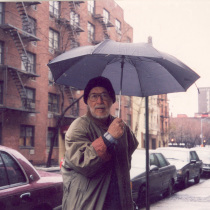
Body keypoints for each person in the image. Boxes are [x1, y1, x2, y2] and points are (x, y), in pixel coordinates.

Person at [61, 76, 139, 210]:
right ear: (87, 101)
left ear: (111, 100)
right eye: (94, 96)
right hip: (88, 204)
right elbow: (84, 163)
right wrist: (109, 137)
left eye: (104, 95)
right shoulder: (78, 127)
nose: (99, 101)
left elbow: (128, 156)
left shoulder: (121, 127)